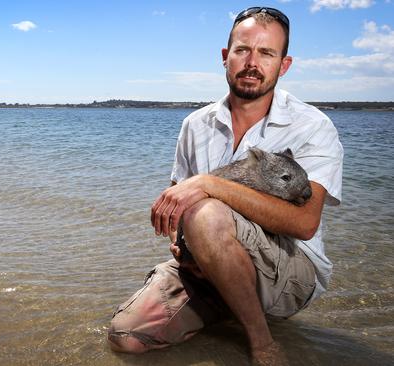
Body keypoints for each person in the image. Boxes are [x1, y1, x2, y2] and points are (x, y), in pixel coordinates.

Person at [107, 6, 343, 365]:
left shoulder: (313, 126)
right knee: (127, 338)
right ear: (225, 57)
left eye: (267, 53)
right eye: (242, 50)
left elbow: (304, 224)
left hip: (290, 271)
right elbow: (176, 207)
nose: (252, 62)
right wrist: (183, 249)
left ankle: (262, 341)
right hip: (206, 261)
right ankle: (224, 302)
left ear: (284, 64)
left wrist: (206, 184)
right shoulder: (195, 124)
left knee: (204, 210)